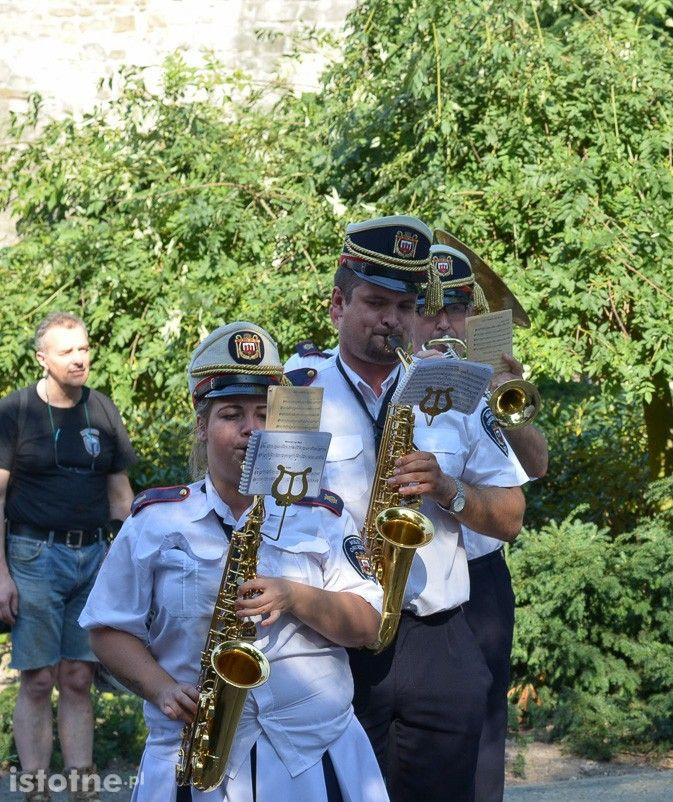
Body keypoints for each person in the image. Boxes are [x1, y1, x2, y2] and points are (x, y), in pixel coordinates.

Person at [79, 321, 388, 801]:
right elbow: (107, 629)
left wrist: (295, 596)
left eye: (265, 413)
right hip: (195, 755)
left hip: (312, 755)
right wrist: (159, 687)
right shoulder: (156, 521)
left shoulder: (323, 516)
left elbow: (368, 626)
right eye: (231, 414)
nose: (251, 430)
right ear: (202, 427)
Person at [308, 215, 528, 800]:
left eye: (405, 307)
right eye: (375, 303)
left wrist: (449, 489)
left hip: (437, 640)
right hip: (337, 640)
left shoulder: (452, 386)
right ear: (337, 305)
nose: (392, 320)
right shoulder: (298, 393)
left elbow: (510, 515)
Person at [409, 240, 548, 802]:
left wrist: (499, 395)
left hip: (479, 579)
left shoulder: (481, 376)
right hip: (408, 579)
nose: (444, 322)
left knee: (486, 731)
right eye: (429, 308)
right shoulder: (380, 384)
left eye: (457, 308)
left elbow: (535, 465)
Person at [0, 311, 136, 801]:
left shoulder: (101, 408)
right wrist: (0, 575)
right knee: (37, 679)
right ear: (43, 359)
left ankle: (82, 784)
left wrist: (125, 565)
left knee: (79, 675)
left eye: (83, 348)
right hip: (33, 555)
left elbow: (121, 496)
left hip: (93, 557)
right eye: (66, 351)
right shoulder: (14, 411)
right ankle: (36, 786)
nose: (79, 359)